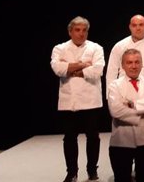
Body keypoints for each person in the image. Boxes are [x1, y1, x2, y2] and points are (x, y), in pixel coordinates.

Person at [50, 16, 106, 182]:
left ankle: (92, 170)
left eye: (84, 30)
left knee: (93, 137)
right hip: (69, 100)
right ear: (70, 31)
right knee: (69, 138)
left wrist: (71, 68)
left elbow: (97, 71)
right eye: (77, 30)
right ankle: (71, 172)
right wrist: (83, 64)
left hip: (90, 99)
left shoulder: (96, 48)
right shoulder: (59, 48)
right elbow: (58, 69)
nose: (81, 34)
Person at [107, 49, 144, 182]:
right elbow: (115, 110)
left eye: (137, 62)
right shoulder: (115, 85)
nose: (133, 66)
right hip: (121, 142)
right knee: (122, 179)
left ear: (142, 64)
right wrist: (143, 111)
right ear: (123, 65)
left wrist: (134, 104)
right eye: (129, 62)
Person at [106, 14, 144, 94]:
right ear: (130, 27)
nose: (138, 28)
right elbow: (111, 72)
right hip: (124, 91)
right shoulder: (119, 46)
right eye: (134, 25)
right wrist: (110, 95)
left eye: (141, 25)